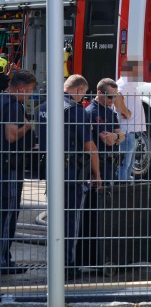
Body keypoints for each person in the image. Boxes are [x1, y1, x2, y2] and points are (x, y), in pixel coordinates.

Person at [38, 74, 102, 280]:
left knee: (54, 219)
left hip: (51, 171)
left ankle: (53, 262)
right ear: (77, 90)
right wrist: (97, 174)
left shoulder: (44, 107)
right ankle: (67, 266)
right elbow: (89, 146)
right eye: (82, 94)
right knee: (70, 222)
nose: (82, 98)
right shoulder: (76, 111)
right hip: (72, 174)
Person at [0, 70, 37, 275]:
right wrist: (28, 126)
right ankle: (3, 261)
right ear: (21, 88)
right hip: (9, 168)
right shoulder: (13, 105)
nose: (30, 95)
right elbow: (12, 135)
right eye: (30, 91)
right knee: (8, 214)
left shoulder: (1, 100)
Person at [86, 78, 126, 184]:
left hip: (110, 162)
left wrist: (116, 137)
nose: (113, 100)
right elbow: (106, 140)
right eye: (110, 96)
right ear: (99, 93)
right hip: (98, 163)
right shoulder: (92, 112)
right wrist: (117, 137)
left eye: (115, 96)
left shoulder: (110, 111)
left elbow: (122, 136)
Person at [116, 60, 147, 181]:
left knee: (128, 164)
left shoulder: (129, 84)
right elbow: (117, 97)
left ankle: (125, 189)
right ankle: (121, 191)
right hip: (127, 131)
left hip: (130, 131)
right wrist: (126, 112)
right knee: (124, 164)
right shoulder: (124, 84)